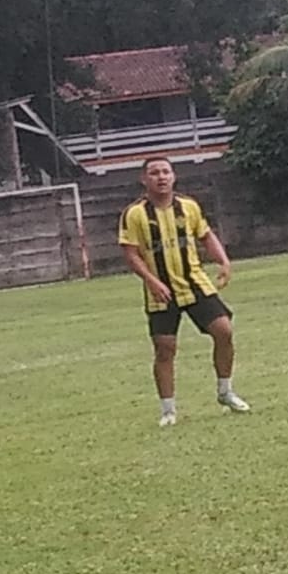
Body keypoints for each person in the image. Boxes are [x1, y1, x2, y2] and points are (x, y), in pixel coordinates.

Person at [118, 157, 249, 426]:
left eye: (166, 171)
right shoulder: (135, 214)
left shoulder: (188, 207)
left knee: (224, 330)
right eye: (154, 173)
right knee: (165, 348)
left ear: (174, 176)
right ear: (144, 179)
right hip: (161, 291)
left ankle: (226, 392)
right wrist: (152, 281)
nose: (161, 177)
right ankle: (168, 411)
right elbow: (131, 254)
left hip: (195, 282)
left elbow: (206, 234)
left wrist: (223, 261)